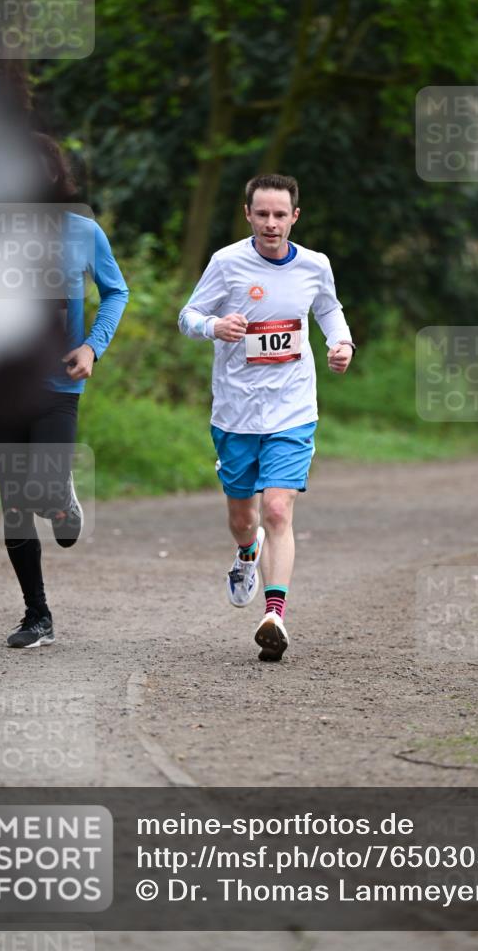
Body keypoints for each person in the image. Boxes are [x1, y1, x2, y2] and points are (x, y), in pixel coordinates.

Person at [179, 173, 354, 661]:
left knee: (278, 509)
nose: (272, 224)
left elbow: (329, 310)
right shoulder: (226, 263)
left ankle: (274, 614)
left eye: (281, 215)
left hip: (292, 409)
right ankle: (245, 552)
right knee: (244, 518)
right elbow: (187, 316)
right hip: (235, 411)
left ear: (295, 216)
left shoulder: (315, 266)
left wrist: (341, 343)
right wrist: (214, 325)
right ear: (248, 214)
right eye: (263, 214)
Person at [0, 134, 129, 648]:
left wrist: (93, 347)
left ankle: (62, 498)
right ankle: (37, 616)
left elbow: (116, 291)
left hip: (57, 383)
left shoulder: (82, 231)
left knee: (42, 486)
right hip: (1, 387)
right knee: (14, 504)